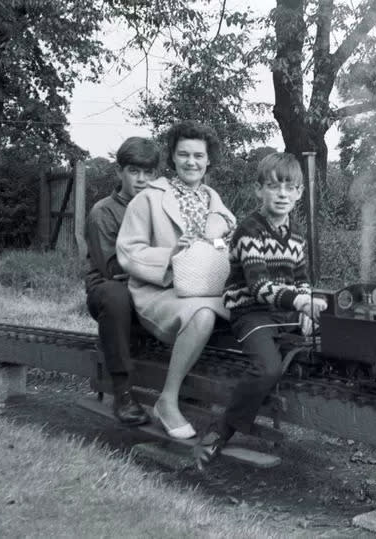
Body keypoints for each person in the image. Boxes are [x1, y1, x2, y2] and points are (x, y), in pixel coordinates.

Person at [195, 152, 327, 467]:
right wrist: (299, 302)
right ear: (259, 191)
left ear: (298, 194)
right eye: (273, 186)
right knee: (268, 368)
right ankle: (220, 431)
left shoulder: (295, 234)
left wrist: (307, 310)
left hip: (283, 311)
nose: (281, 194)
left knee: (329, 345)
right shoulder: (248, 230)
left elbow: (301, 279)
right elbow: (258, 286)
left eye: (289, 187)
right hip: (250, 311)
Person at [116, 121, 236, 440]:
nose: (191, 162)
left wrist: (220, 222)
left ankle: (235, 399)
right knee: (203, 314)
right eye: (183, 154)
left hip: (204, 286)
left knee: (246, 306)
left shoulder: (212, 198)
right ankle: (167, 400)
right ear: (172, 157)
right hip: (159, 292)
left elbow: (229, 226)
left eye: (199, 155)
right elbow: (127, 251)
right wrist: (170, 255)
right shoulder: (150, 198)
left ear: (209, 159)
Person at [85, 136, 160, 425]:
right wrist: (166, 264)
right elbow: (113, 269)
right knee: (117, 295)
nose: (141, 180)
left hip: (151, 287)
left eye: (148, 173)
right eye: (134, 171)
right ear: (120, 172)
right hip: (111, 291)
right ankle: (123, 392)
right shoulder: (103, 212)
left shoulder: (160, 208)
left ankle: (192, 390)